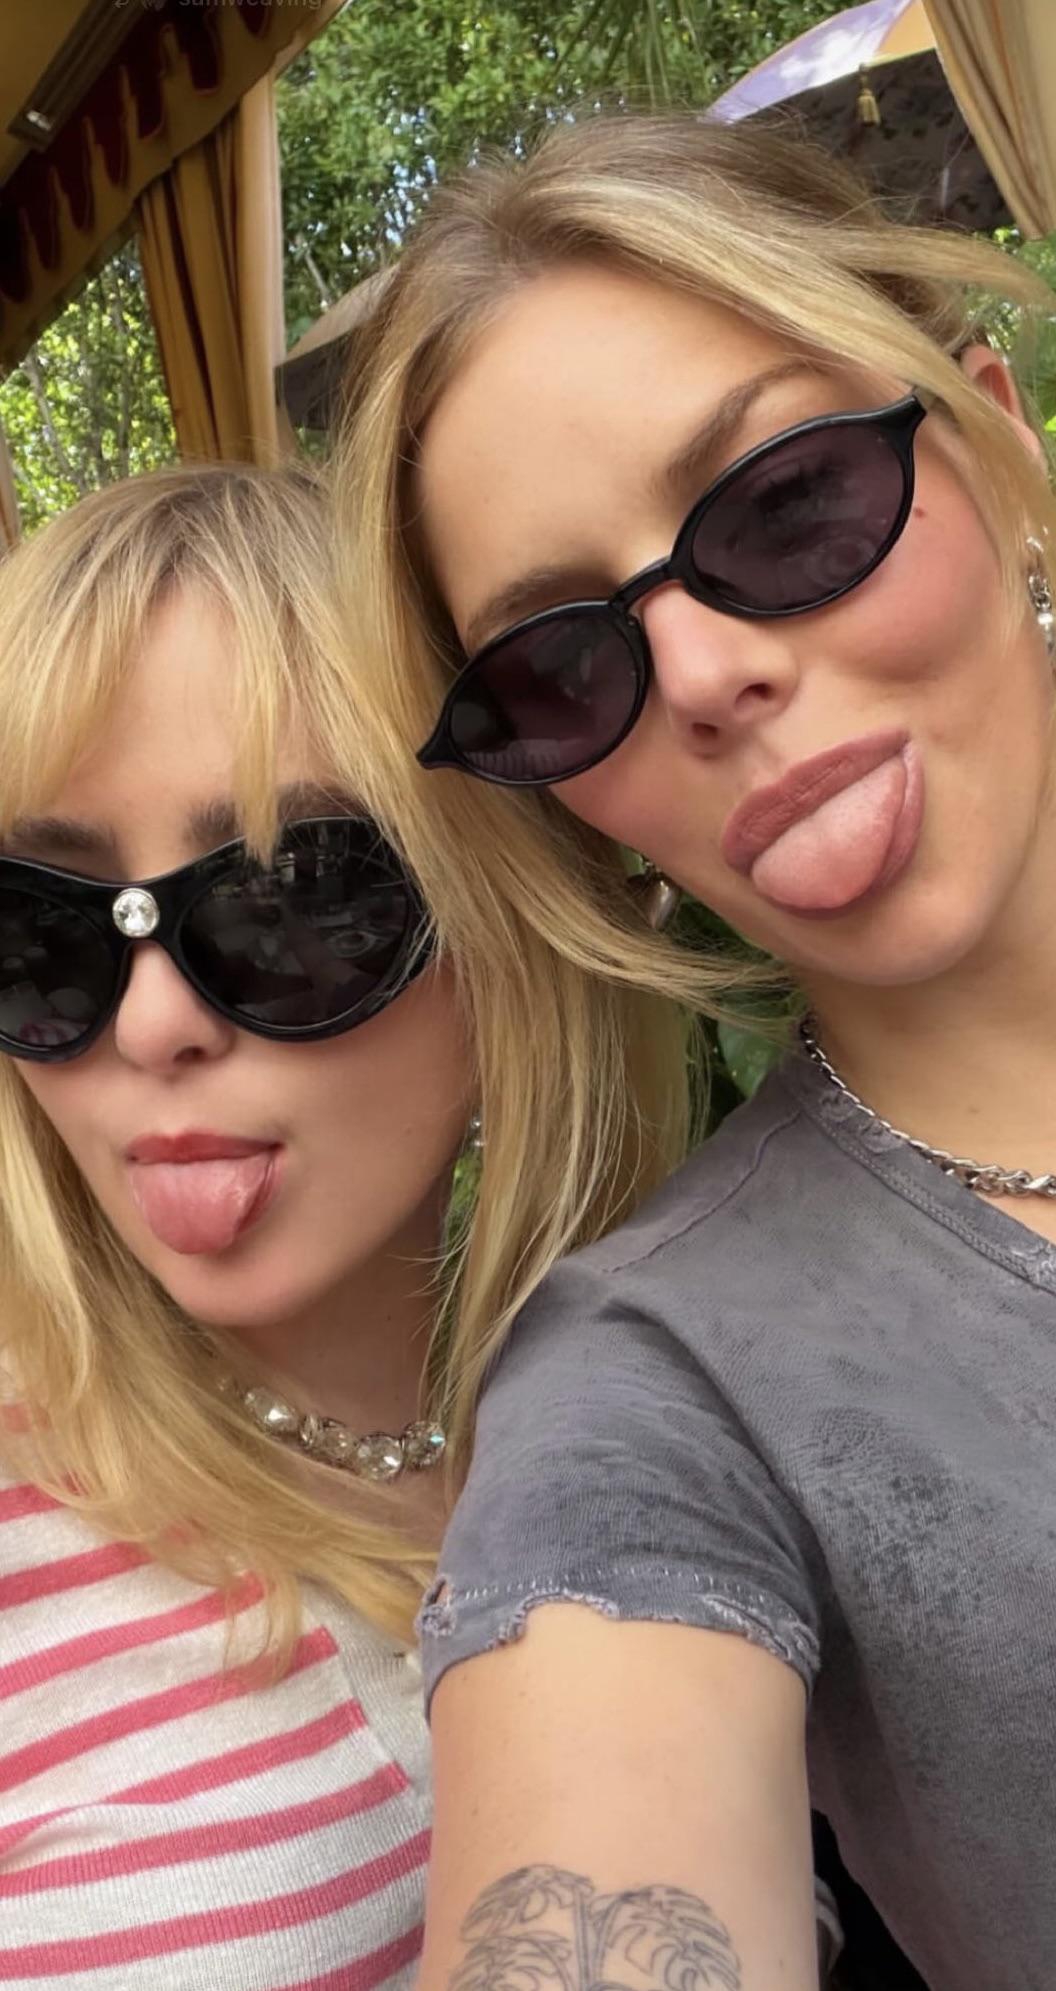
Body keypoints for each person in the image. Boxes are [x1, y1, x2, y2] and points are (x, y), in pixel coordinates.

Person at [332, 111, 1056, 1991]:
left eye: (785, 506)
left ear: (998, 443)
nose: (708, 671)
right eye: (563, 666)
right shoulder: (652, 1392)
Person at [0, 464, 690, 1987]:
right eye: (39, 926)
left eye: (288, 899)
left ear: (512, 922)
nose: (155, 1023)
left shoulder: (675, 1403)